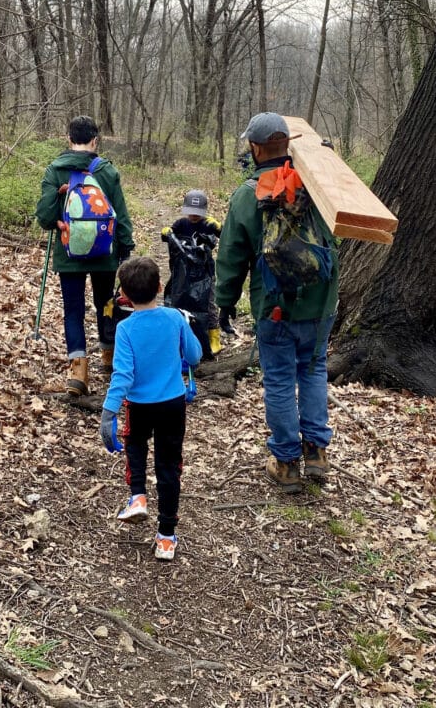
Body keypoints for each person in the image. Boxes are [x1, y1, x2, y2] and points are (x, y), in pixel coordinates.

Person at [215, 112, 339, 491]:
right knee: (314, 369)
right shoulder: (318, 185)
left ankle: (286, 463)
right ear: (289, 145)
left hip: (275, 304)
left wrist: (224, 302)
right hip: (322, 302)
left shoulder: (248, 195)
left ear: (255, 148)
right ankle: (316, 451)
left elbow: (232, 255)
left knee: (282, 378)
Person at [99, 257, 202, 562]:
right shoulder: (174, 318)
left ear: (124, 295)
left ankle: (138, 496)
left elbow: (123, 374)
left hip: (139, 405)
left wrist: (109, 411)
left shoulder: (125, 329)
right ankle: (167, 537)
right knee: (169, 466)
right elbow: (195, 356)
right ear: (159, 287)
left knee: (135, 446)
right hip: (172, 403)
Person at [35, 115, 134, 397]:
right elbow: (121, 215)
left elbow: (43, 216)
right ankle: (109, 355)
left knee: (74, 311)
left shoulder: (55, 170)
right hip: (105, 254)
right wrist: (126, 248)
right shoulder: (106, 171)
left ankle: (78, 371)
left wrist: (56, 218)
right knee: (105, 303)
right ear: (95, 140)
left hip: (69, 256)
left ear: (68, 139)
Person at [161, 189, 232, 357]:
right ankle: (181, 334)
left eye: (197, 213)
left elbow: (226, 236)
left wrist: (218, 227)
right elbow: (168, 235)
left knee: (208, 303)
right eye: (191, 213)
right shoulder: (181, 224)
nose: (194, 216)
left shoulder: (208, 224)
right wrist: (166, 232)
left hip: (205, 271)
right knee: (181, 300)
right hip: (183, 272)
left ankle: (214, 336)